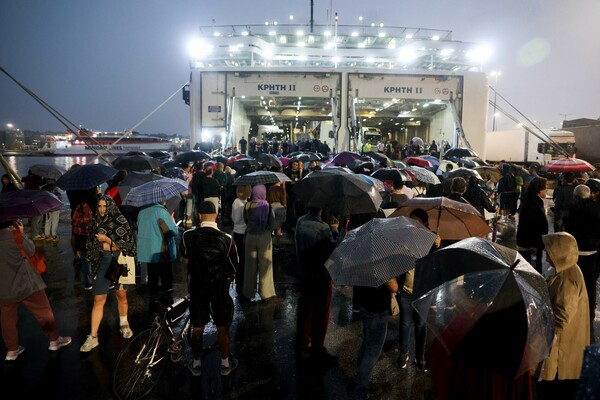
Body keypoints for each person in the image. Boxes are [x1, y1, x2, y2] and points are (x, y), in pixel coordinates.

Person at [180, 201, 239, 377]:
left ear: (199, 216)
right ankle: (225, 363)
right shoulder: (227, 239)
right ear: (216, 216)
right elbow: (234, 267)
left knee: (197, 327)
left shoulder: (188, 235)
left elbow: (184, 255)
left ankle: (197, 363)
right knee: (222, 325)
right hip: (219, 287)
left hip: (197, 286)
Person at [0, 219, 72, 360]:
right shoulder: (14, 235)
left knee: (7, 319)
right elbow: (31, 250)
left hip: (3, 287)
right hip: (26, 282)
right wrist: (22, 234)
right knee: (44, 311)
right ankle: (54, 340)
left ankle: (12, 350)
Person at [80, 195, 137, 352]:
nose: (102, 209)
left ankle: (124, 323)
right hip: (101, 263)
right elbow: (90, 245)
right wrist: (107, 245)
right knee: (98, 299)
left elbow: (127, 245)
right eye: (99, 206)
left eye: (105, 206)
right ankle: (93, 337)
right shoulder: (95, 222)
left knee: (121, 295)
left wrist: (107, 240)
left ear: (110, 206)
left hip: (118, 262)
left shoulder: (121, 220)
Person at [537, 232, 590, 399]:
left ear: (560, 252)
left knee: (556, 392)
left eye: (550, 248)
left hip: (562, 353)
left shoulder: (568, 278)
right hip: (561, 349)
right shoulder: (564, 271)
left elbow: (561, 319)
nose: (545, 250)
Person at [395, 208, 441, 372]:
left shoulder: (431, 240)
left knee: (421, 325)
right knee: (405, 323)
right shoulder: (405, 238)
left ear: (426, 224)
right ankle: (403, 354)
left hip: (423, 292)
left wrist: (437, 245)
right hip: (406, 290)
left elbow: (437, 263)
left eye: (417, 222)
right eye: (411, 221)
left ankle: (420, 357)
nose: (412, 225)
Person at [295, 205, 339, 362]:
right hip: (322, 275)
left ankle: (303, 340)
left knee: (305, 308)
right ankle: (317, 347)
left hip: (305, 273)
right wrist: (334, 229)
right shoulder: (324, 228)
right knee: (321, 312)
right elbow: (334, 249)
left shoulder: (300, 222)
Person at [353, 278, 399, 400]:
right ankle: (361, 389)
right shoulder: (380, 262)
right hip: (376, 309)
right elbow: (393, 287)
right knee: (372, 351)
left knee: (367, 344)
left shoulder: (360, 258)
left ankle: (360, 378)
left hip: (364, 304)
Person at [566, 182, 600, 328]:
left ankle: (576, 311)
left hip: (577, 253)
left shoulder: (574, 209)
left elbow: (568, 230)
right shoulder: (597, 209)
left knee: (575, 284)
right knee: (591, 284)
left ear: (576, 196)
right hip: (593, 253)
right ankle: (590, 312)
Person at [136, 200, 178, 311]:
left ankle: (153, 303)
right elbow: (170, 232)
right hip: (161, 251)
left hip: (148, 253)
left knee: (153, 279)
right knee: (166, 280)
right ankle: (167, 304)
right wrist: (173, 222)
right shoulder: (162, 212)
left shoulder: (142, 211)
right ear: (162, 200)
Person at [242, 184, 277, 302]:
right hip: (264, 237)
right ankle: (266, 293)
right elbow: (273, 225)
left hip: (250, 237)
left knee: (249, 265)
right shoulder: (268, 206)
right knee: (265, 265)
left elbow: (245, 221)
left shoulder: (247, 205)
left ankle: (248, 291)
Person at [516, 177, 548, 273]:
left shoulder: (530, 200)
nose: (546, 190)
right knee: (532, 271)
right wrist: (533, 244)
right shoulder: (533, 203)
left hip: (529, 243)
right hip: (531, 245)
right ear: (539, 190)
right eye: (545, 188)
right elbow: (530, 225)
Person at [231, 185, 250, 294]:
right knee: (244, 256)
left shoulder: (236, 202)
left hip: (237, 231)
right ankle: (243, 278)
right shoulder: (247, 203)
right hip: (245, 232)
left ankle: (239, 278)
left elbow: (234, 218)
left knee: (238, 256)